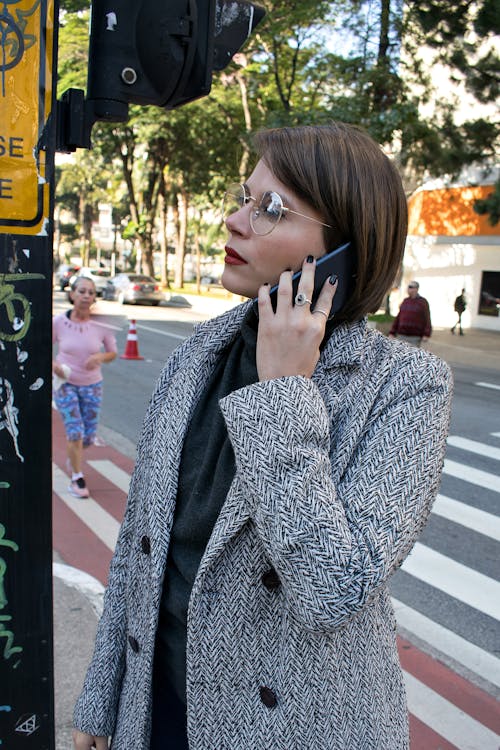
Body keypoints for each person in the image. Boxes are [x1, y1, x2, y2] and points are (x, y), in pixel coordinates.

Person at [72, 123, 452, 750]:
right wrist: (100, 697)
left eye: (271, 208)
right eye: (245, 198)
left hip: (287, 727)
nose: (234, 221)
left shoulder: (406, 387)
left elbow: (333, 591)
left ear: (345, 251)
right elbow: (142, 547)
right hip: (162, 703)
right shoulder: (200, 351)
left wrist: (284, 397)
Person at [53, 276, 117, 498]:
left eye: (91, 292)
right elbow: (42, 348)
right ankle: (77, 477)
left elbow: (112, 352)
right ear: (72, 295)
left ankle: (74, 459)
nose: (86, 296)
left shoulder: (100, 325)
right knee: (75, 431)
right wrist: (55, 366)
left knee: (87, 436)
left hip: (92, 386)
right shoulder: (59, 322)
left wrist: (100, 356)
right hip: (65, 384)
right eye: (82, 291)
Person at [388, 280, 432, 347]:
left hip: (415, 337)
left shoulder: (423, 302)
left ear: (416, 289)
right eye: (408, 287)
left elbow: (427, 318)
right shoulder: (405, 301)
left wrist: (426, 334)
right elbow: (398, 317)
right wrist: (392, 332)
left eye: (410, 287)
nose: (408, 289)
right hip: (401, 335)